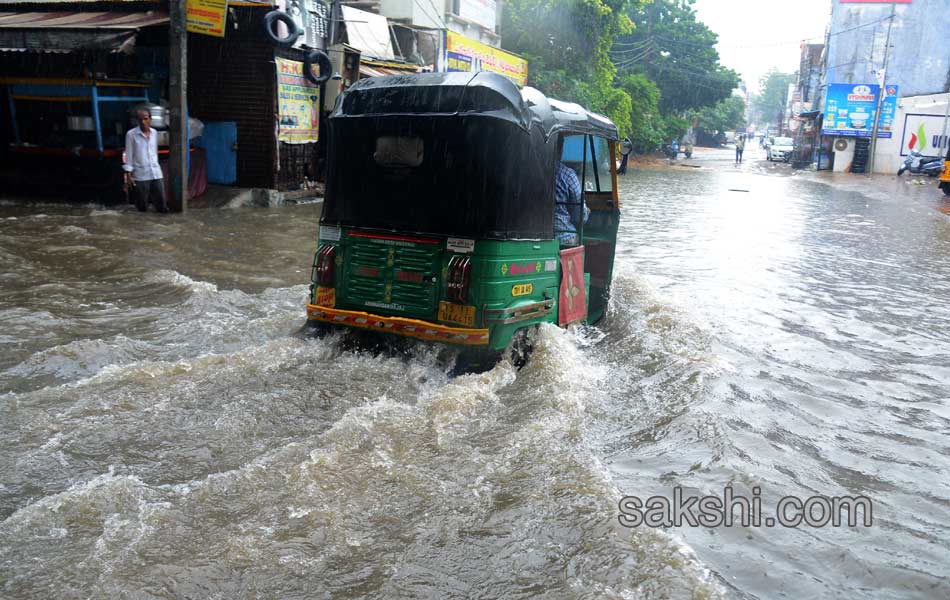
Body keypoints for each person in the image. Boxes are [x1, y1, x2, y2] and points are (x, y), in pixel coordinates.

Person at [123, 108, 168, 213]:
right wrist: (128, 174)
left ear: (150, 119)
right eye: (140, 120)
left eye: (145, 119)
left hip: (156, 173)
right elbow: (129, 155)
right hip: (141, 175)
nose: (143, 122)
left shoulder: (155, 133)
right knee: (142, 207)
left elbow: (154, 152)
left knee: (162, 205)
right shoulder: (131, 134)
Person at [554, 162, 588, 246]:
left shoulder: (527, 171)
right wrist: (586, 212)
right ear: (560, 150)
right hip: (562, 236)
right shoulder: (567, 174)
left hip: (528, 236)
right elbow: (580, 216)